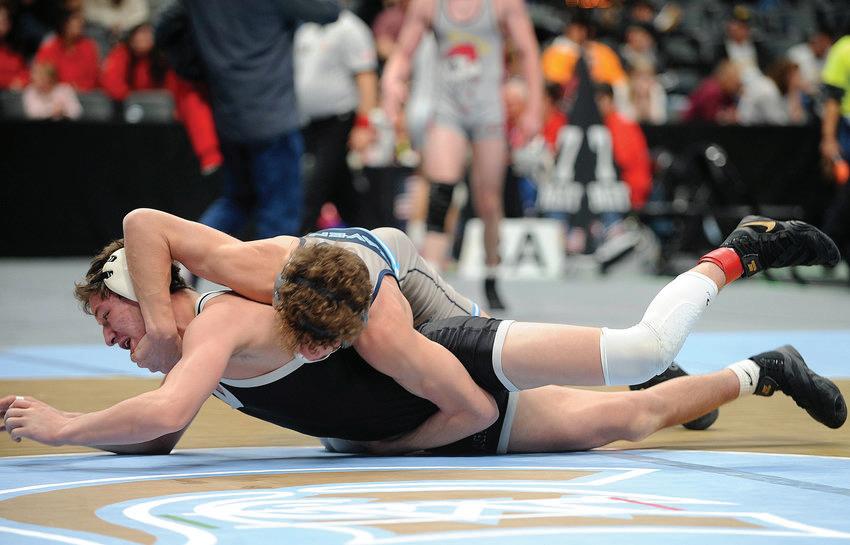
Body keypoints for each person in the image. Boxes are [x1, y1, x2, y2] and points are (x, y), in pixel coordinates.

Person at [2, 218, 845, 454]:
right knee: (624, 420)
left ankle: (738, 251)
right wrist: (154, 327)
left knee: (639, 351)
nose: (109, 339)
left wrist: (64, 425)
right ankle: (763, 370)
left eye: (107, 320)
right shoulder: (215, 297)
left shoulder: (230, 317)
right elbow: (143, 231)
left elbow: (470, 404)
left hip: (409, 310)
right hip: (369, 318)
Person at [382, 0, 544, 311]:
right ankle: (430, 283)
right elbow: (404, 51)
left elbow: (528, 52)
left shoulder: (503, 5)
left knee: (488, 201)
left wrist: (534, 108)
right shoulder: (429, 5)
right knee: (441, 190)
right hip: (448, 110)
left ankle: (491, 272)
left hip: (488, 112)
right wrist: (392, 81)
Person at [179, 0, 341, 239]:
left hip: (229, 118)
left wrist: (195, 66)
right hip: (273, 120)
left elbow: (167, 25)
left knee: (237, 202)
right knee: (280, 216)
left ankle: (185, 253)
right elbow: (328, 9)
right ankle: (269, 269)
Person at [294, 9, 379, 233]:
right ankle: (375, 239)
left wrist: (364, 125)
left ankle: (295, 246)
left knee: (312, 189)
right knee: (344, 193)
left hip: (339, 121)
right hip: (309, 125)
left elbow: (367, 78)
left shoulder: (349, 27)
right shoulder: (306, 27)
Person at [101, 22, 222, 174]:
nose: (145, 37)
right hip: (130, 119)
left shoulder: (163, 57)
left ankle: (211, 158)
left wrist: (172, 107)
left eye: (148, 32)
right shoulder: (121, 54)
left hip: (165, 120)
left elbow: (175, 88)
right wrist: (133, 98)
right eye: (140, 32)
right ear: (131, 36)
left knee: (192, 100)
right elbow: (110, 83)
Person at [820, 33, 850, 264]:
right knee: (845, 195)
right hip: (847, 131)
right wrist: (828, 138)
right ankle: (825, 251)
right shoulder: (843, 49)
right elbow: (832, 99)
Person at [34, 8, 99, 92]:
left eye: (80, 21)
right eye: (75, 20)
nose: (80, 24)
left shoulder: (88, 46)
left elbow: (93, 77)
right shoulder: (49, 48)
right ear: (63, 24)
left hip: (84, 94)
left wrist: (79, 87)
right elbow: (42, 77)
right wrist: (66, 89)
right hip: (56, 94)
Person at [682, 60, 742, 124]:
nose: (738, 83)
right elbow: (710, 118)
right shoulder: (713, 91)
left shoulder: (725, 91)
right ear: (727, 77)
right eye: (736, 79)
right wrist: (725, 117)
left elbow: (731, 109)